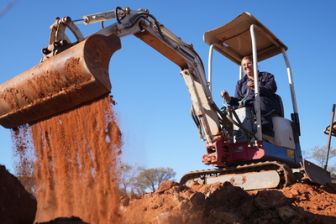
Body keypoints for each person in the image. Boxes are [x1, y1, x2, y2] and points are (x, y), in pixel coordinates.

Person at [221, 56, 282, 137]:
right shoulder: (240, 83)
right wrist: (228, 98)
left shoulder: (267, 76)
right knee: (225, 111)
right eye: (244, 65)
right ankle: (228, 135)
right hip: (248, 105)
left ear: (255, 64)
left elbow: (271, 89)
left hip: (266, 105)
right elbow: (238, 100)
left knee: (259, 100)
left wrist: (256, 87)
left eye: (249, 63)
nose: (246, 66)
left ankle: (266, 133)